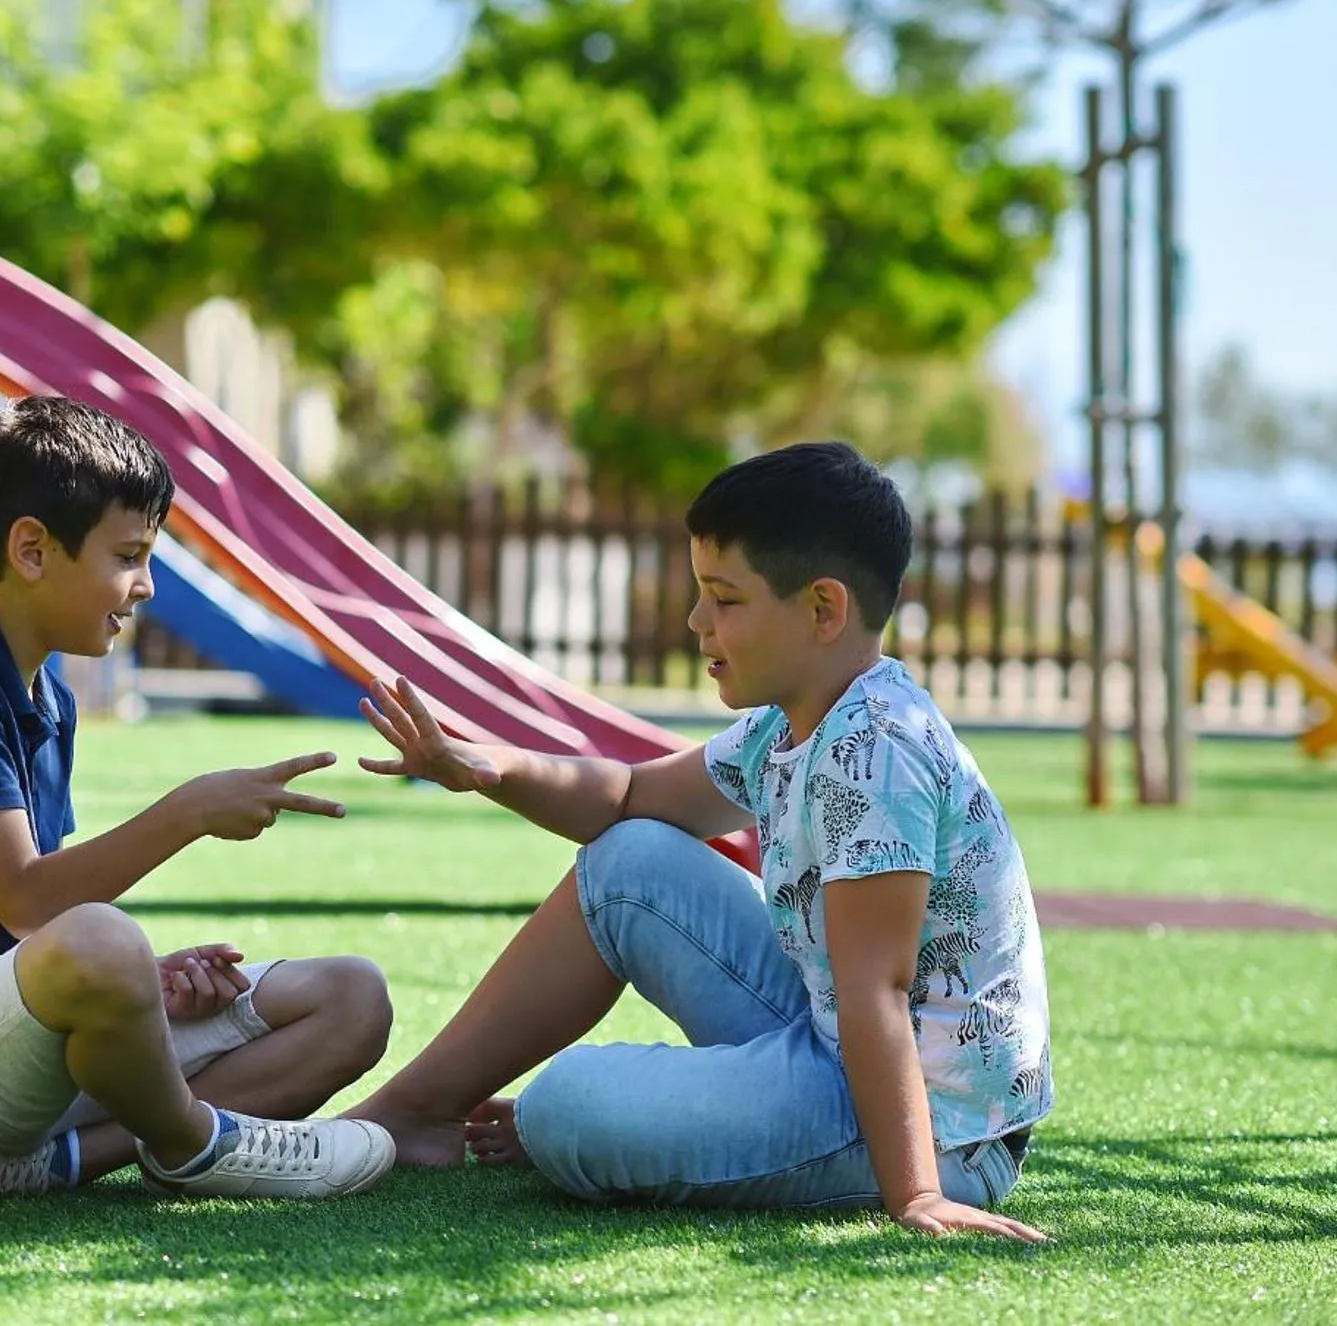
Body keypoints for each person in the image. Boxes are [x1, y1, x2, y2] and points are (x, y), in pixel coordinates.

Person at [348, 442, 1053, 1242]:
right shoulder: (785, 723)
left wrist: (917, 1196)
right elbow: (627, 798)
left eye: (724, 598)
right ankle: (416, 1112)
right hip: (836, 1042)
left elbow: (877, 991)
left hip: (934, 1128)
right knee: (629, 860)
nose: (695, 622)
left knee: (567, 1107)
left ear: (824, 609)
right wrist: (486, 767)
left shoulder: (876, 750)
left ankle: (637, 1121)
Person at [0, 394, 396, 1199]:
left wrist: (147, 981)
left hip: (32, 1026)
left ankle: (60, 1161)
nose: (142, 586)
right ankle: (200, 1144)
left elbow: (48, 923)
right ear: (31, 549)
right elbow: (27, 901)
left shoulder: (48, 693)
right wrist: (187, 812)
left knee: (353, 996)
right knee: (105, 940)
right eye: (129, 554)